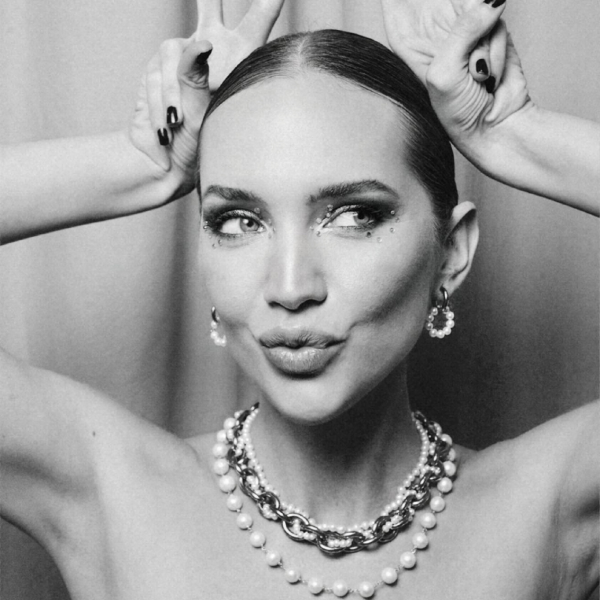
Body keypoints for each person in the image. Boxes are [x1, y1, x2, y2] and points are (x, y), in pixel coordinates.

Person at [0, 1, 598, 599]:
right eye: (239, 221)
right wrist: (141, 164)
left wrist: (514, 137)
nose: (290, 288)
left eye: (355, 216)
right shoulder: (108, 489)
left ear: (452, 251)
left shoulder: (547, 506)